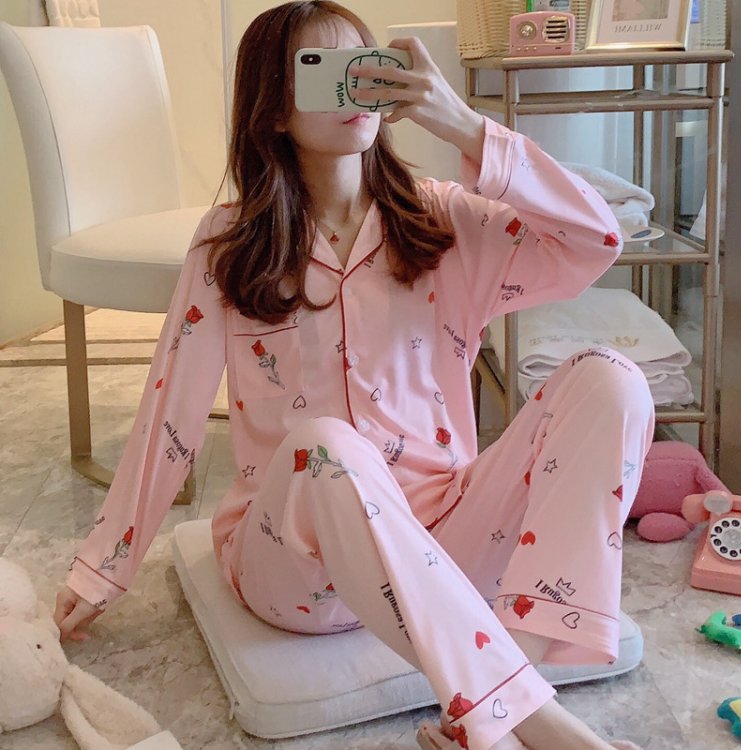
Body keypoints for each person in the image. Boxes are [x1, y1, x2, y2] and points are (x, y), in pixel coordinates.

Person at [53, 2, 654, 749]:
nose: (352, 86)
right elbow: (168, 414)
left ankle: (495, 697)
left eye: (364, 66)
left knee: (611, 378)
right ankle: (543, 727)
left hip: (446, 540)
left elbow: (596, 240)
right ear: (274, 107)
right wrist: (99, 571)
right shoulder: (229, 246)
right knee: (325, 445)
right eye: (322, 69)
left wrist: (463, 125)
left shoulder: (444, 223)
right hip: (295, 567)